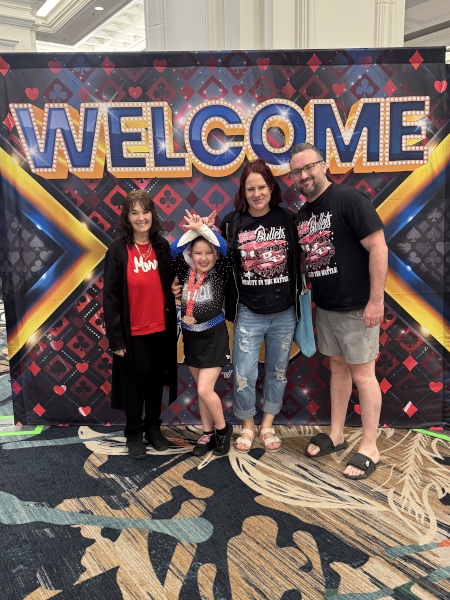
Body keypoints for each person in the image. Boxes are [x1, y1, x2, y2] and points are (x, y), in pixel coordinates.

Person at [289, 142, 388, 479]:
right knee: (337, 368)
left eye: (309, 167)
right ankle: (336, 434)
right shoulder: (303, 216)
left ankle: (370, 447)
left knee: (363, 374)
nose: (304, 175)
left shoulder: (348, 198)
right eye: (297, 172)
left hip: (357, 306)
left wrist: (376, 300)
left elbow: (378, 247)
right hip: (326, 306)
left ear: (323, 165)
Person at [220, 158, 298, 453]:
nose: (256, 194)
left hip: (284, 312)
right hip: (248, 312)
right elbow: (217, 264)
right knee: (244, 375)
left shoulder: (288, 219)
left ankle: (267, 425)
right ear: (243, 191)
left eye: (261, 187)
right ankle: (248, 425)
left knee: (278, 372)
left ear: (271, 188)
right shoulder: (232, 223)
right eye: (250, 189)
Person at [103, 190, 178, 459]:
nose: (141, 217)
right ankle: (134, 432)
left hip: (161, 329)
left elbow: (172, 282)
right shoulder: (117, 251)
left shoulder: (162, 247)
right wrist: (116, 339)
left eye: (145, 211)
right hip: (132, 333)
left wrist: (176, 289)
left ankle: (153, 428)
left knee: (156, 381)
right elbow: (111, 298)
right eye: (134, 212)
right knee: (135, 383)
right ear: (127, 217)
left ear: (152, 215)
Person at [171, 210, 233, 456]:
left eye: (209, 253)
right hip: (191, 339)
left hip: (213, 338)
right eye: (198, 253)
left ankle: (223, 429)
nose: (204, 258)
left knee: (204, 390)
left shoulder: (220, 272)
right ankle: (207, 433)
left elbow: (225, 249)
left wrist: (204, 230)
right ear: (191, 255)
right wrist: (194, 231)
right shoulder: (185, 273)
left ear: (215, 255)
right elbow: (173, 250)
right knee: (202, 391)